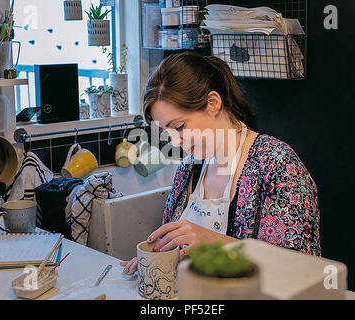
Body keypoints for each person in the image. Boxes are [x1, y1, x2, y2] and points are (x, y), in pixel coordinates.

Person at [121, 52, 321, 275]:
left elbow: (297, 268)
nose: (175, 141)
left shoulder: (277, 165)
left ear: (213, 103)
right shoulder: (188, 169)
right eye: (167, 133)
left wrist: (212, 240)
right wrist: (158, 257)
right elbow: (175, 242)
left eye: (179, 127)